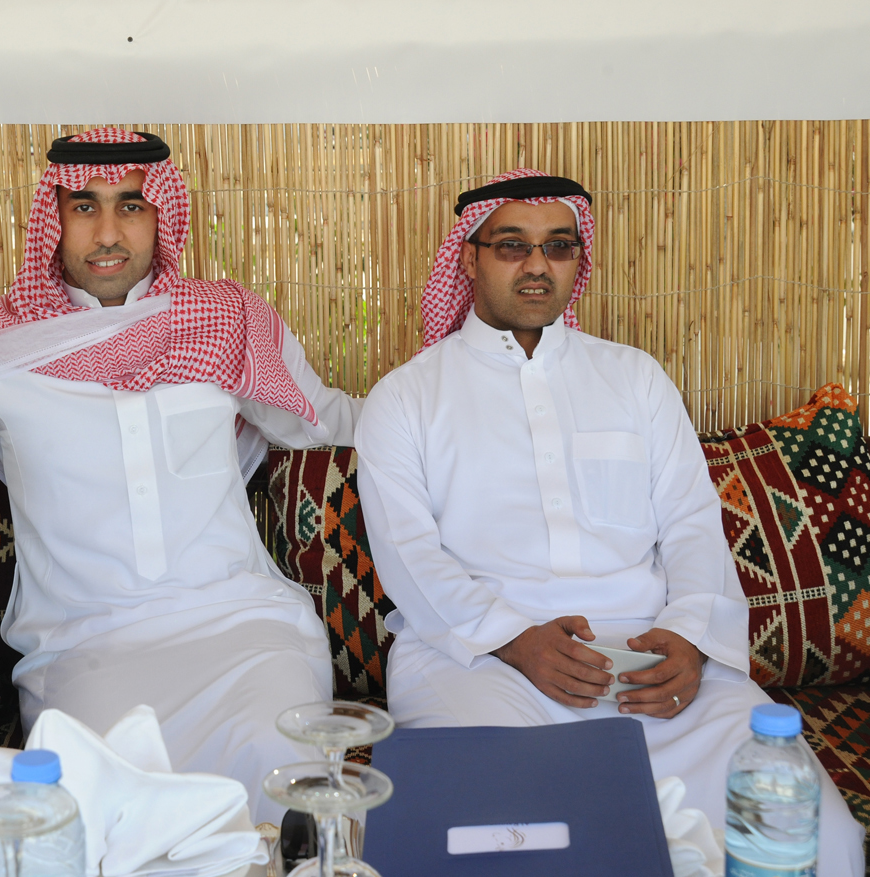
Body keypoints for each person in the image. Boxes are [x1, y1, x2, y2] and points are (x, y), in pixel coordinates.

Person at [354, 169, 864, 874]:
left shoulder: (635, 378)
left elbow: (691, 524)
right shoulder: (405, 398)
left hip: (650, 660)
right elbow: (410, 557)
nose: (537, 265)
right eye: (512, 245)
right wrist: (515, 640)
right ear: (468, 258)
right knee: (510, 839)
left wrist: (691, 638)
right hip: (478, 664)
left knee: (822, 840)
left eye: (559, 246)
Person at [0, 128, 361, 827]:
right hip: (84, 648)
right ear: (53, 217)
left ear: (161, 215)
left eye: (131, 205)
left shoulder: (224, 323)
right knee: (101, 812)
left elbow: (324, 420)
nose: (108, 232)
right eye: (84, 206)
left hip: (247, 631)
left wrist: (446, 410)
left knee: (284, 781)